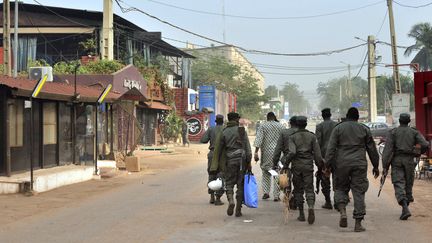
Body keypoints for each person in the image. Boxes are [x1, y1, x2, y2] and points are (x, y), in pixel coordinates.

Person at [325, 107, 380, 232]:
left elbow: (331, 149)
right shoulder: (364, 129)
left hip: (341, 164)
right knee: (359, 191)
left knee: (340, 188)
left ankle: (343, 211)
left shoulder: (338, 128)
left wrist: (327, 165)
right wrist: (376, 166)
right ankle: (358, 224)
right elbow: (372, 149)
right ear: (357, 118)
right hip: (359, 164)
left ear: (347, 116)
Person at [381, 113, 429, 220]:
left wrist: (385, 166)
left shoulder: (393, 132)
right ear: (408, 122)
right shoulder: (414, 132)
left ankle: (405, 208)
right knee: (408, 183)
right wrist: (419, 153)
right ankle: (405, 207)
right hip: (409, 160)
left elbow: (387, 151)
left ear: (399, 121)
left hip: (397, 160)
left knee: (398, 183)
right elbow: (425, 144)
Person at [210, 112, 252, 217]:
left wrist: (216, 165)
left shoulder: (224, 132)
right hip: (242, 161)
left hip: (230, 161)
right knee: (240, 185)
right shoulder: (242, 130)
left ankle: (231, 201)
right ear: (237, 120)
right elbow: (248, 150)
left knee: (229, 183)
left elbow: (218, 150)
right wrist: (249, 162)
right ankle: (238, 209)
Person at [284, 116, 323, 224]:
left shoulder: (293, 137)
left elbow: (292, 152)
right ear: (306, 124)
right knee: (309, 188)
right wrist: (320, 167)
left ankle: (301, 214)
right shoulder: (312, 136)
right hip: (308, 166)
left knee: (298, 190)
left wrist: (286, 165)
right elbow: (318, 155)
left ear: (296, 124)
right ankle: (310, 207)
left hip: (297, 166)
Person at [254, 112, 285, 201]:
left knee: (266, 172)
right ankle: (276, 195)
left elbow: (259, 139)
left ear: (267, 118)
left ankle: (266, 192)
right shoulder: (281, 126)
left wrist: (256, 152)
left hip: (267, 153)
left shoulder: (263, 126)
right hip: (278, 153)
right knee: (277, 173)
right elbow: (285, 139)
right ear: (274, 117)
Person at [272, 116, 298, 208]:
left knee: (284, 180)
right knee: (299, 181)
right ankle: (296, 196)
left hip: (286, 160)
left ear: (290, 123)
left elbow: (278, 150)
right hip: (300, 161)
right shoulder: (303, 133)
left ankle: (288, 194)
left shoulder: (284, 133)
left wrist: (274, 162)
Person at [315, 108, 337, 209]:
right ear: (330, 115)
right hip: (336, 156)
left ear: (322, 116)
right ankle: (337, 201)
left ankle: (328, 202)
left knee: (325, 179)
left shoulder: (319, 126)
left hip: (324, 156)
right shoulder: (336, 125)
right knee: (337, 178)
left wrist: (317, 158)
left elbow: (318, 143)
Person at [200, 114, 225, 206]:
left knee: (212, 174)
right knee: (221, 175)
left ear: (215, 121)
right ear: (223, 121)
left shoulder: (211, 129)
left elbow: (203, 140)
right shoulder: (225, 129)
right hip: (222, 155)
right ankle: (218, 198)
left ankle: (211, 196)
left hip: (212, 154)